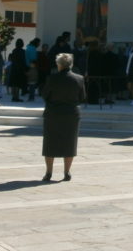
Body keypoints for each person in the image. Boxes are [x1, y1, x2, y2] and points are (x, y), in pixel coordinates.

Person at [41, 52, 86, 182]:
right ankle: (67, 172)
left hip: (53, 113)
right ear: (70, 64)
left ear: (59, 65)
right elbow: (82, 97)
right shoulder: (79, 79)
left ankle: (49, 172)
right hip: (71, 114)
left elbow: (45, 95)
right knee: (69, 143)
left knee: (50, 143)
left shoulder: (52, 78)